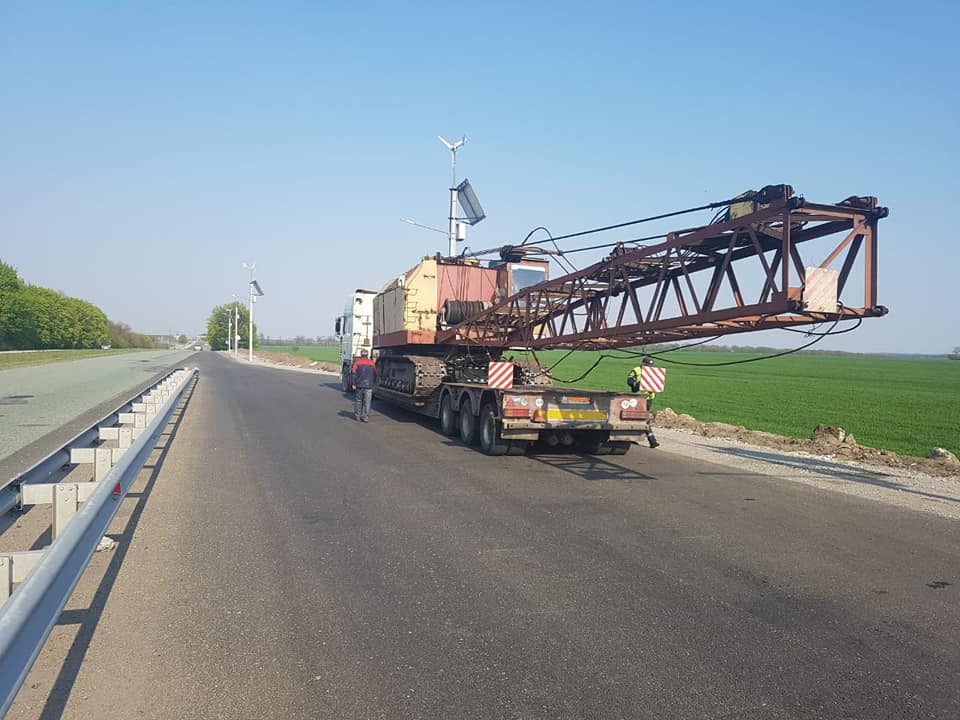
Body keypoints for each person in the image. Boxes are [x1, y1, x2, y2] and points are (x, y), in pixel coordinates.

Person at [627, 356, 660, 448]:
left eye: (651, 365)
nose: (649, 367)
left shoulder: (654, 372)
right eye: (647, 365)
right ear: (643, 363)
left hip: (648, 399)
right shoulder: (636, 370)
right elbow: (629, 381)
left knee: (640, 418)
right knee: (641, 418)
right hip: (638, 398)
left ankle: (633, 438)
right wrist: (637, 384)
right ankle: (652, 440)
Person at [351, 349, 377, 423]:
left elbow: (353, 373)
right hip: (369, 386)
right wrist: (373, 383)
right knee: (367, 402)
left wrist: (353, 383)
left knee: (358, 401)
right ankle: (365, 417)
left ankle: (357, 416)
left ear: (361, 354)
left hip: (359, 385)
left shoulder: (357, 362)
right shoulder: (372, 363)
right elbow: (375, 373)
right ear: (367, 355)